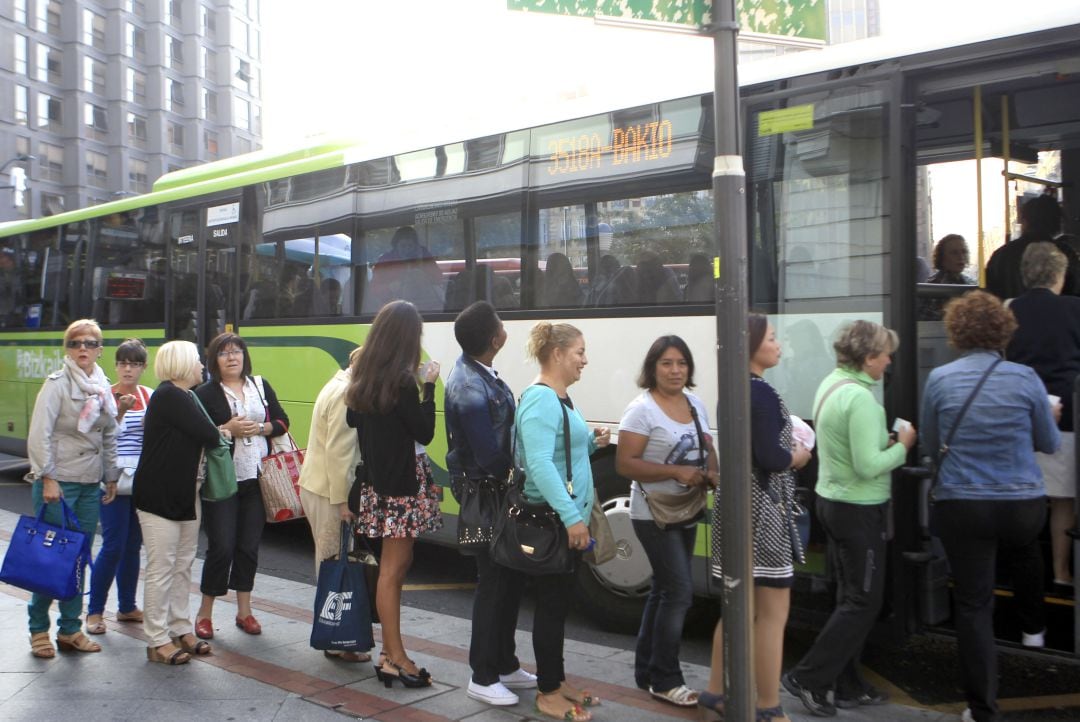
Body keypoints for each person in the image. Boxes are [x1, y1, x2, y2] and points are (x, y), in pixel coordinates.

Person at [921, 291, 1059, 722]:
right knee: (1025, 549)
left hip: (964, 505)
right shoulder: (1025, 378)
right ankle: (1033, 628)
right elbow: (1049, 444)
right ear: (1004, 330)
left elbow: (928, 445)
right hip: (1021, 505)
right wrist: (1049, 416)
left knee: (974, 604)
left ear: (957, 332)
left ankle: (982, 709)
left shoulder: (940, 379)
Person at [782, 320, 917, 717]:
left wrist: (882, 443)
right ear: (868, 358)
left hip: (833, 502)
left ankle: (847, 684)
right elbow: (867, 464)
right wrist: (902, 447)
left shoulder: (832, 383)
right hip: (858, 509)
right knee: (863, 601)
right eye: (884, 354)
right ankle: (808, 676)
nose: (889, 361)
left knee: (849, 597)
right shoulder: (861, 400)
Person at [700, 316, 812, 722]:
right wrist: (798, 456)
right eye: (771, 337)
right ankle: (768, 707)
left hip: (735, 504)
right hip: (764, 508)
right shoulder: (760, 393)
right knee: (772, 613)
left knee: (736, 610)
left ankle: (715, 694)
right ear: (751, 345)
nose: (777, 343)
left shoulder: (731, 389)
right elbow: (771, 458)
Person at [516, 321, 611, 722]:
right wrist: (573, 519)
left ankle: (557, 680)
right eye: (579, 353)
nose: (584, 361)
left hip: (564, 517)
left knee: (560, 605)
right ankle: (547, 692)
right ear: (557, 354)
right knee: (552, 608)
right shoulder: (541, 399)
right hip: (555, 521)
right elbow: (537, 463)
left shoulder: (561, 397)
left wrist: (592, 442)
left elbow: (558, 452)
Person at [616, 335, 717, 708]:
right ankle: (666, 679)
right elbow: (625, 463)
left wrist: (712, 472)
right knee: (679, 592)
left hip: (687, 507)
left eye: (682, 364)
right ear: (652, 368)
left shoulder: (695, 404)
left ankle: (647, 672)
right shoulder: (641, 410)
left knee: (663, 590)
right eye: (667, 364)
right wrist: (675, 470)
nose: (675, 371)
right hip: (652, 513)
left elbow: (707, 445)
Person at [444, 301, 537, 706]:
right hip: (487, 494)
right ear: (494, 338)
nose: (505, 328)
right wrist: (519, 478)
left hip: (497, 493)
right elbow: (485, 452)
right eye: (500, 324)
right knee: (494, 583)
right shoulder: (468, 385)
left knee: (509, 580)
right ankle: (482, 675)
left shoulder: (480, 373)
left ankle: (505, 663)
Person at [346, 300, 443, 687]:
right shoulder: (403, 382)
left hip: (378, 485)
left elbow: (355, 419)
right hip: (401, 485)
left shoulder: (364, 378)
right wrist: (430, 386)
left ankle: (389, 653)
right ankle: (396, 656)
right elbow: (425, 432)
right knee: (393, 570)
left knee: (395, 568)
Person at [25, 319, 120, 658]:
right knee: (50, 559)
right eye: (76, 343)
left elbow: (109, 434)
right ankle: (38, 629)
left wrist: (111, 476)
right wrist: (46, 477)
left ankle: (69, 629)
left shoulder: (103, 385)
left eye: (90, 343)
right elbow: (39, 434)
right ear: (67, 349)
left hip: (89, 482)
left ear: (100, 349)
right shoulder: (57, 384)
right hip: (59, 483)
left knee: (78, 558)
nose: (83, 348)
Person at [193, 332, 290, 640]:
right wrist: (227, 429)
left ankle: (244, 612)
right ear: (214, 360)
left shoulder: (260, 386)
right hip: (223, 482)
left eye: (237, 352)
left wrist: (262, 427)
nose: (232, 357)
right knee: (221, 547)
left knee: (248, 547)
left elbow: (284, 422)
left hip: (257, 480)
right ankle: (204, 614)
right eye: (224, 353)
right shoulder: (205, 393)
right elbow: (198, 433)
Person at [133, 340, 223, 664]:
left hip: (185, 493)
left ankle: (181, 627)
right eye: (198, 359)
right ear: (183, 364)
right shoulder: (169, 395)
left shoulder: (186, 396)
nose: (202, 365)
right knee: (162, 568)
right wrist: (224, 429)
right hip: (159, 496)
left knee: (183, 565)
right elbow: (210, 434)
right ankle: (157, 640)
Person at [1006, 243, 1080, 589]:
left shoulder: (1010, 308)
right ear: (1058, 275)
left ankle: (1023, 571)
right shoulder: (1074, 308)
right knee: (1064, 498)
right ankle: (1061, 572)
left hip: (1022, 414)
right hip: (1067, 413)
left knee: (1027, 496)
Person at [298, 346, 370, 663]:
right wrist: (343, 502)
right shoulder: (346, 395)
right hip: (330, 494)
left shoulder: (337, 384)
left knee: (331, 562)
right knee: (334, 565)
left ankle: (336, 635)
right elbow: (339, 455)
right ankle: (336, 639)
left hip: (319, 487)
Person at [86, 338, 152, 636]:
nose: (128, 369)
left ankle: (126, 606)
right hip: (111, 481)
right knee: (112, 545)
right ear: (116, 366)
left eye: (134, 363)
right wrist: (120, 413)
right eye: (123, 363)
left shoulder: (149, 396)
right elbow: (95, 439)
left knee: (133, 545)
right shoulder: (103, 396)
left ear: (143, 367)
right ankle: (95, 612)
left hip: (140, 481)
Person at [986, 194, 1078, 299]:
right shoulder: (1066, 254)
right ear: (1057, 222)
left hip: (1011, 314)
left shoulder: (1001, 255)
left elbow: (991, 295)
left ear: (1024, 220)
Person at [919, 234, 977, 321]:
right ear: (942, 257)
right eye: (954, 253)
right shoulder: (933, 287)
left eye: (964, 252)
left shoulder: (970, 283)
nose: (961, 257)